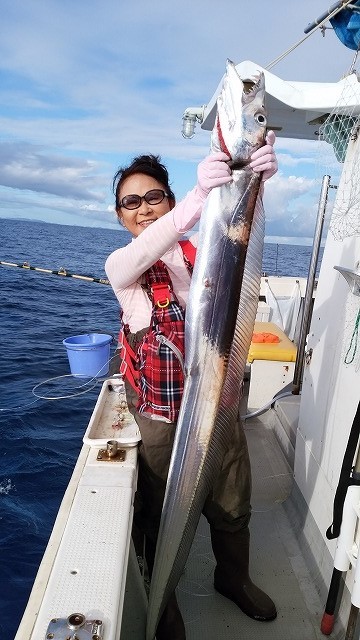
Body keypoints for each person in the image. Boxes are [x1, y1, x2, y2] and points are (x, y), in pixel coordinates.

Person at [105, 132, 278, 640]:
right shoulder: (122, 268)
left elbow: (234, 246)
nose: (143, 208)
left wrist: (252, 184)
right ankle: (168, 600)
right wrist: (202, 199)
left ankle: (233, 577)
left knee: (231, 497)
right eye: (130, 202)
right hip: (162, 423)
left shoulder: (199, 252)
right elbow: (139, 255)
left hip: (218, 407)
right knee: (163, 513)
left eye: (154, 196)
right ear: (119, 217)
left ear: (170, 199)